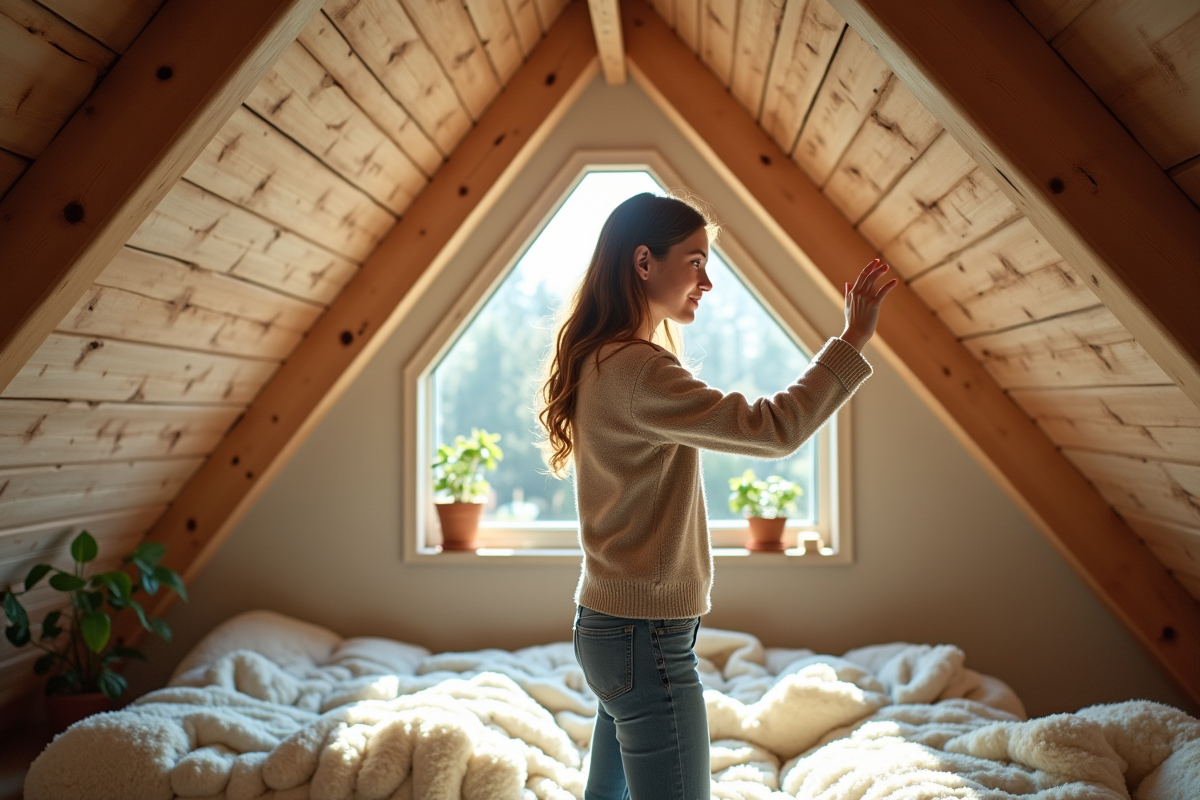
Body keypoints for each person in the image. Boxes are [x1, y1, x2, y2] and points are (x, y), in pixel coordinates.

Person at [536, 192, 896, 800]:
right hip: (645, 637)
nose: (707, 282)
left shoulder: (599, 359)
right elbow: (774, 429)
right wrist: (853, 338)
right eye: (696, 262)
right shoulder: (639, 370)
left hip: (607, 627)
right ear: (644, 262)